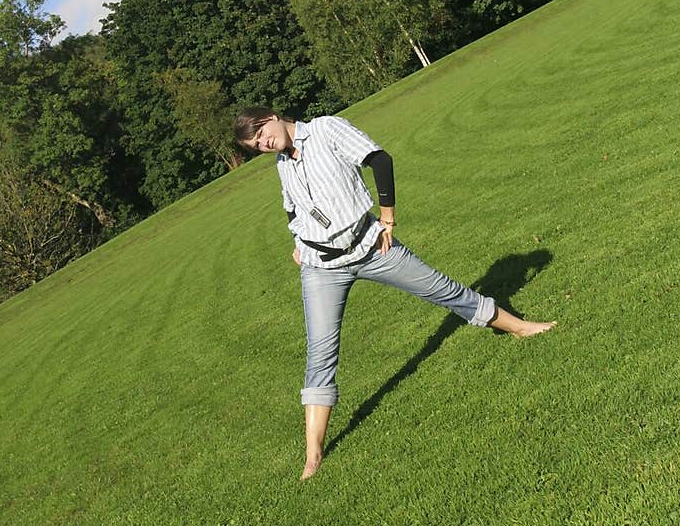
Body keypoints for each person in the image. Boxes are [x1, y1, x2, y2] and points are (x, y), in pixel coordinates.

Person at [234, 106, 556, 480]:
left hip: (373, 248)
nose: (264, 143)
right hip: (320, 267)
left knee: (443, 290)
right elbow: (292, 208)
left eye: (262, 133)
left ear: (272, 116)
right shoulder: (283, 164)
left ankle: (519, 327)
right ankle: (313, 455)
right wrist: (297, 241)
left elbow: (379, 159)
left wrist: (387, 217)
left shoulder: (325, 130)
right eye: (256, 145)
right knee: (320, 353)